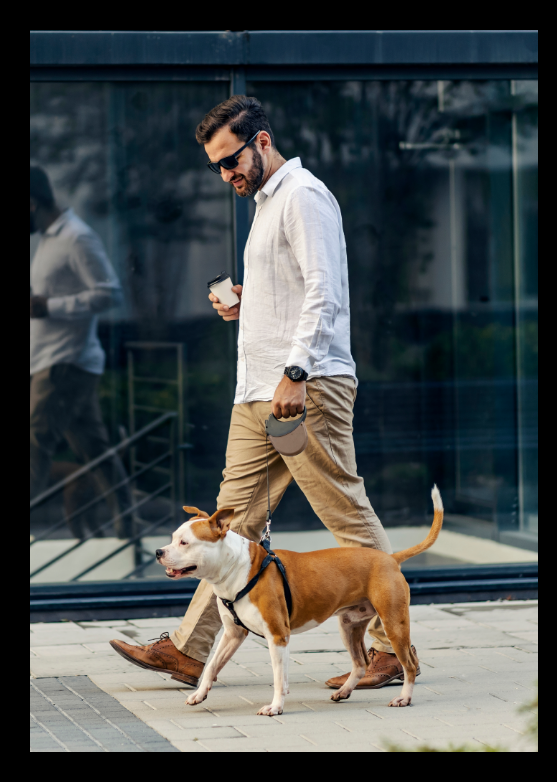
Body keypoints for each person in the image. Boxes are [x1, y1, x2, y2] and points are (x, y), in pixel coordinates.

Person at [111, 96, 419, 690]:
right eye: (216, 166)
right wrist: (246, 303)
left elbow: (325, 291)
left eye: (231, 160)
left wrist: (296, 373)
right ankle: (190, 650)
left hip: (306, 386)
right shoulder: (266, 204)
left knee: (345, 512)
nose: (226, 173)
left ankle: (387, 649)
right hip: (255, 389)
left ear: (262, 141)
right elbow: (291, 292)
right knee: (229, 522)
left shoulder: (303, 196)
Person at [30, 165, 131, 537]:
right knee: (96, 450)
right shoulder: (49, 240)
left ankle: (128, 525)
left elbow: (110, 293)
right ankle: (129, 526)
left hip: (64, 363)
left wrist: (50, 306)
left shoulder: (77, 237)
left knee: (34, 444)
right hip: (56, 360)